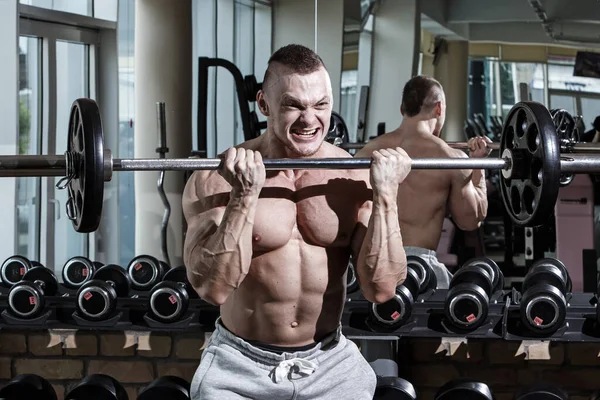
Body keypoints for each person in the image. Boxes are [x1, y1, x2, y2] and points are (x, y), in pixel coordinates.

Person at [182, 44, 412, 400]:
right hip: (240, 366)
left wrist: (386, 194)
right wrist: (244, 196)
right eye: (293, 105)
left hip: (329, 363)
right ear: (263, 104)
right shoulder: (214, 180)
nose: (309, 120)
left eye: (321, 105)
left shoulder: (353, 179)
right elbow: (212, 290)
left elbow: (381, 290)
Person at [356, 75, 491, 289]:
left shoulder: (366, 152)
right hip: (418, 268)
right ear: (439, 108)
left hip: (372, 263)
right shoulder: (449, 158)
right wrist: (478, 165)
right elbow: (471, 219)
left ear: (402, 109)